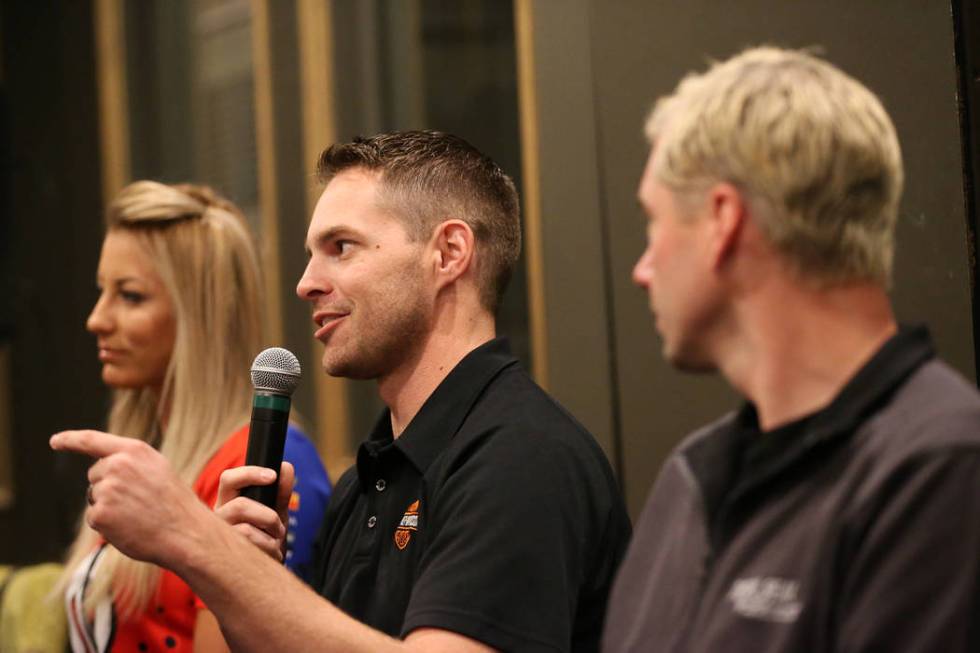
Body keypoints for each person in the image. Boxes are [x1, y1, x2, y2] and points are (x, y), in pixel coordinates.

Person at [51, 131, 632, 652]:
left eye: (341, 247)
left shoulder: (518, 455)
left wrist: (194, 540)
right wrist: (240, 577)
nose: (306, 283)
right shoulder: (366, 481)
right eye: (310, 254)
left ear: (448, 253)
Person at [602, 46, 980, 652]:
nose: (643, 268)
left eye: (654, 220)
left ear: (723, 219)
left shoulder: (941, 468)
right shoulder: (690, 480)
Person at [55, 181, 332, 653]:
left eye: (131, 296)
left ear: (199, 316)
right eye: (102, 291)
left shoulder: (266, 465)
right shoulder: (152, 456)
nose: (97, 319)